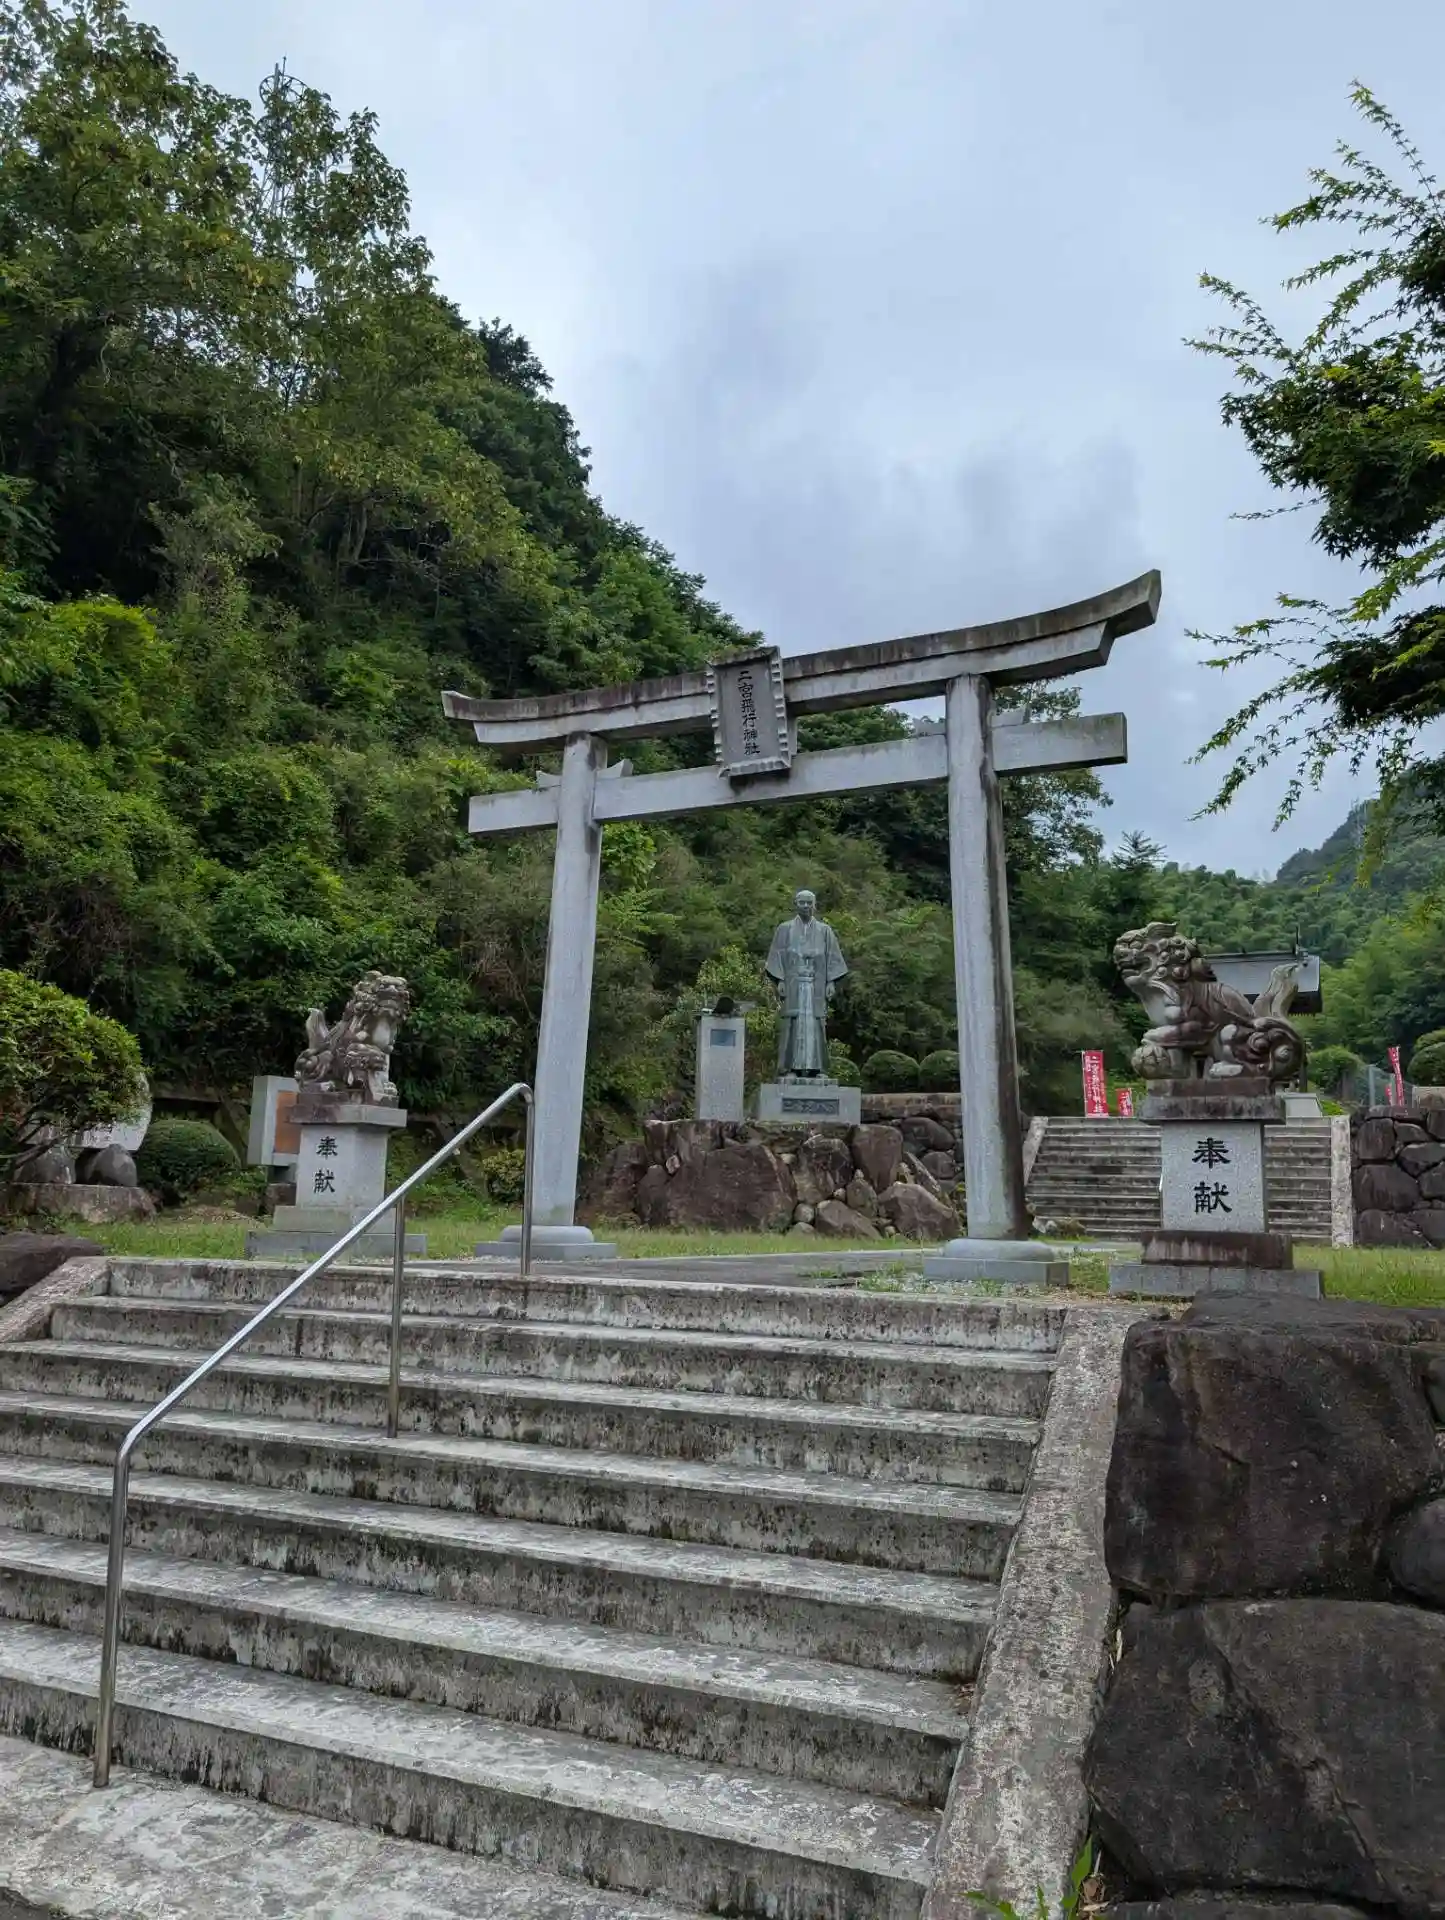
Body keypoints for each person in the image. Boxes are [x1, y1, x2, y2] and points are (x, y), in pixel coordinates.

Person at [764, 889, 848, 1077]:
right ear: (795, 904)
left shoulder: (825, 931)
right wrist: (780, 980)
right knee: (792, 1024)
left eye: (809, 903)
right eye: (802, 902)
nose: (806, 906)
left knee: (816, 1025)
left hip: (815, 986)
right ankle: (790, 1068)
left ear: (815, 905)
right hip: (794, 985)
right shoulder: (784, 929)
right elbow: (776, 956)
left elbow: (833, 957)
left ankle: (817, 1068)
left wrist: (830, 982)